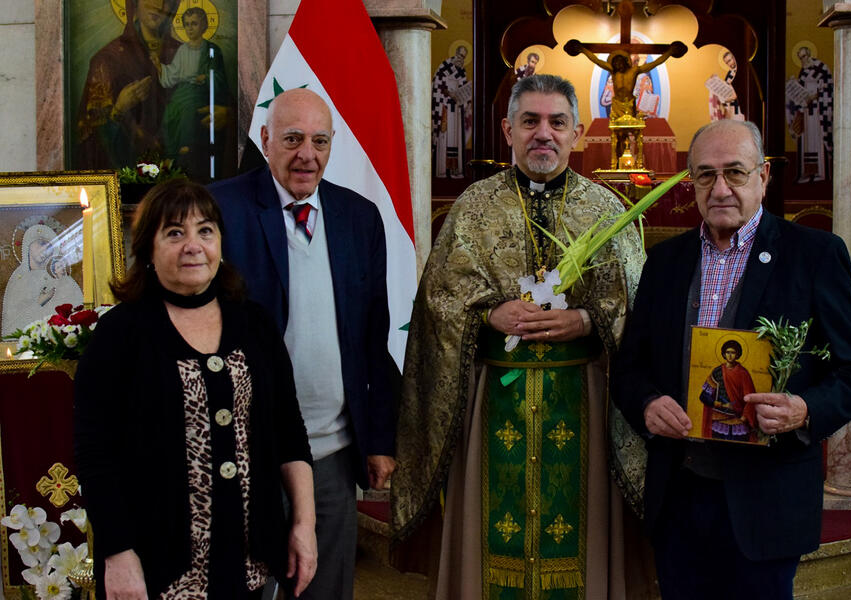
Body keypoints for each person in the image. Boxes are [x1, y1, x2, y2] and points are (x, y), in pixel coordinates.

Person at [393, 74, 651, 599]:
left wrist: (584, 322)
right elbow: (438, 302)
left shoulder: (607, 211)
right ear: (507, 129)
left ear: (577, 132)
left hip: (583, 403)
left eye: (557, 122)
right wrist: (489, 314)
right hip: (493, 409)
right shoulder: (473, 207)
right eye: (530, 121)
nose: (543, 134)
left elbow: (637, 310)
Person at [611, 119, 851, 599]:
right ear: (689, 182)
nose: (720, 189)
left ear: (764, 176)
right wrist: (648, 405)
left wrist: (805, 409)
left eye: (734, 172)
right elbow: (629, 369)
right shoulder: (665, 261)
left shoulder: (813, 255)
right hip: (680, 495)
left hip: (767, 502)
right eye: (705, 175)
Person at [73, 180, 317, 599]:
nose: (193, 245)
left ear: (221, 242)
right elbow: (96, 457)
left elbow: (290, 434)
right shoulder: (120, 334)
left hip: (247, 560)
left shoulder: (254, 324)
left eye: (206, 230)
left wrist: (304, 525)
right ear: (148, 248)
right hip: (155, 566)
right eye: (174, 232)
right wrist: (118, 553)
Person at [209, 88, 396, 600]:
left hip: (332, 451)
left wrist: (379, 438)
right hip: (245, 450)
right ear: (266, 140)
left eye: (319, 141)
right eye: (292, 139)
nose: (306, 155)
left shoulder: (359, 218)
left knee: (325, 588)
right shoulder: (221, 211)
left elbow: (373, 336)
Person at [75, 0, 181, 169]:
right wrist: (119, 109)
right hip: (126, 175)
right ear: (134, 4)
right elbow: (89, 137)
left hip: (176, 173)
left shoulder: (185, 55)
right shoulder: (107, 60)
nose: (158, 6)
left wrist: (224, 113)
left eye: (166, 1)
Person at [157, 6, 230, 180]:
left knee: (190, 109)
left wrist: (206, 77)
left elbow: (219, 77)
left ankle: (187, 145)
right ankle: (174, 151)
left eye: (194, 24)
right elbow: (173, 73)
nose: (190, 28)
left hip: (201, 92)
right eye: (187, 24)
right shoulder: (182, 50)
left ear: (204, 26)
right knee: (169, 114)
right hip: (184, 90)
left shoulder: (212, 50)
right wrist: (159, 67)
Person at [565, 41, 686, 121]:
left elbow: (655, 63)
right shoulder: (613, 71)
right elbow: (596, 60)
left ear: (625, 61)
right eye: (615, 63)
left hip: (629, 104)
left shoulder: (634, 71)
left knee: (629, 133)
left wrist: (669, 52)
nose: (617, 65)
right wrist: (583, 50)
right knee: (617, 134)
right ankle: (617, 157)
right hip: (617, 105)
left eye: (619, 62)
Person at [2, 224, 83, 336]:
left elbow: (77, 311)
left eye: (50, 246)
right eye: (41, 244)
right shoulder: (18, 280)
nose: (45, 249)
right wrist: (38, 303)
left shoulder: (62, 278)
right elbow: (10, 326)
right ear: (28, 245)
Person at [786, 46, 834, 182]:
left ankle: (821, 172)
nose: (803, 60)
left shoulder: (821, 67)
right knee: (806, 142)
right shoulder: (803, 71)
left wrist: (814, 96)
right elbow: (800, 90)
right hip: (807, 111)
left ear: (809, 55)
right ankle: (806, 173)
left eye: (804, 57)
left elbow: (828, 86)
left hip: (819, 110)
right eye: (800, 58)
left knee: (818, 140)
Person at [699, 340, 757, 441]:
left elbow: (751, 398)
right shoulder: (717, 372)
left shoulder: (743, 373)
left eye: (733, 353)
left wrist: (744, 416)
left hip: (738, 420)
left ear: (737, 354)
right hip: (719, 419)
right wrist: (720, 404)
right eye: (728, 352)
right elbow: (703, 396)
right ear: (724, 354)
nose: (730, 355)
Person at [432, 45, 472, 178]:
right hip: (445, 107)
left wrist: (466, 101)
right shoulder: (445, 67)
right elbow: (437, 85)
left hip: (457, 110)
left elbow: (464, 89)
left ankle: (455, 169)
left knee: (455, 140)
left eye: (463, 57)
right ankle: (443, 169)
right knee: (445, 137)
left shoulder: (462, 71)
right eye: (460, 55)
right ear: (455, 54)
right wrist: (449, 93)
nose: (461, 59)